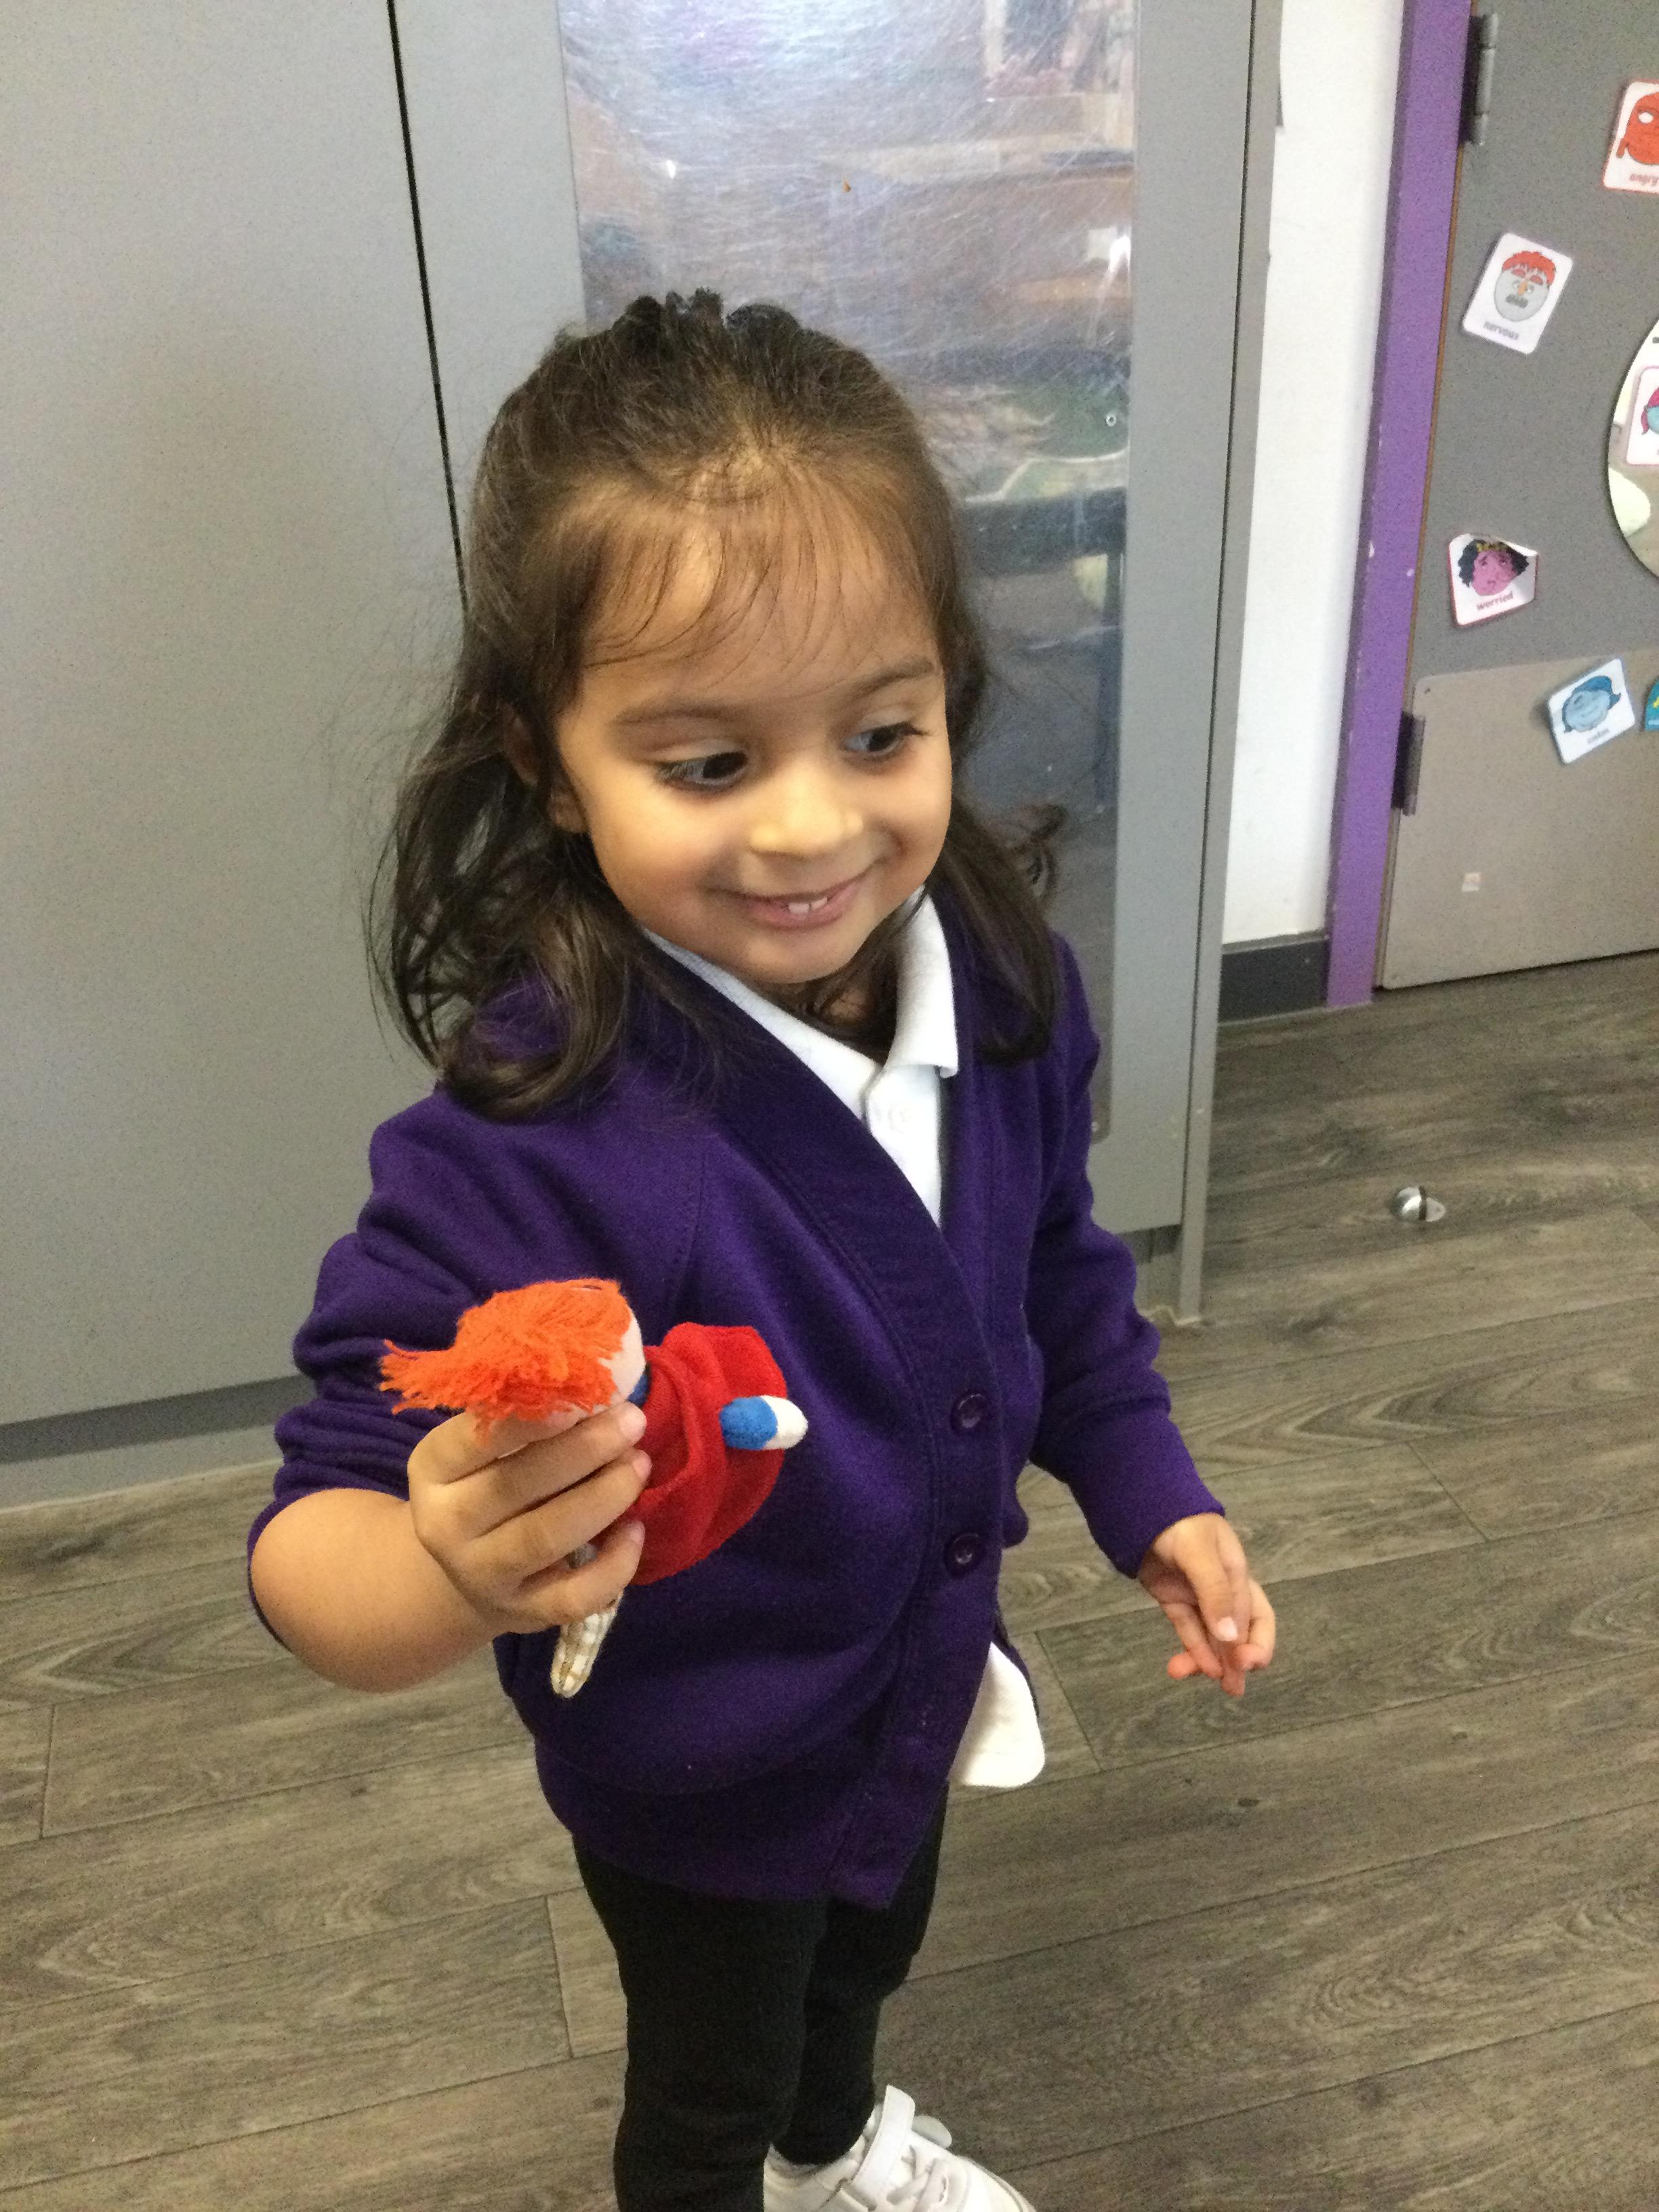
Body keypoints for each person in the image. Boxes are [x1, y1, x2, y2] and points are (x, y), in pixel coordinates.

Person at [248, 291, 1276, 2212]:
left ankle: (836, 2149)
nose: (813, 827)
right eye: (708, 764)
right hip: (699, 1785)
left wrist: (1156, 1494)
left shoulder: (1007, 989)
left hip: (918, 1685)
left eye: (882, 733)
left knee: (863, 1971)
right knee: (707, 2090)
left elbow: (1057, 1275)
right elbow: (314, 1538)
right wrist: (447, 1563)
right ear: (549, 763)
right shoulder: (542, 1136)